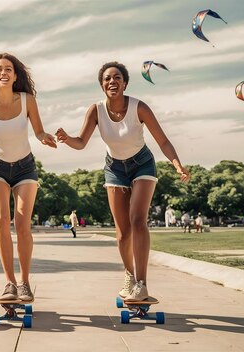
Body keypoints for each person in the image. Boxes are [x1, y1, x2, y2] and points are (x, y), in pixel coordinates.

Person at [55, 61, 190, 302]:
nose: (112, 82)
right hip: (114, 168)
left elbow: (163, 141)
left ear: (125, 83)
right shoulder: (95, 110)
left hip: (142, 164)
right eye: (107, 79)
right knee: (122, 232)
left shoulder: (139, 107)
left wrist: (177, 164)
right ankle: (129, 274)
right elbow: (81, 142)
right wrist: (66, 139)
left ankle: (142, 283)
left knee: (138, 220)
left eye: (117, 77)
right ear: (102, 85)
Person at [0, 53, 57, 302]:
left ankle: (25, 282)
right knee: (0, 220)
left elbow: (38, 131)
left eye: (8, 69)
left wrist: (44, 137)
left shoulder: (28, 100)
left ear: (15, 75)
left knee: (21, 224)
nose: (4, 73)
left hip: (25, 168)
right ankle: (9, 283)